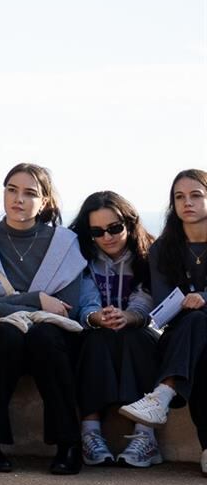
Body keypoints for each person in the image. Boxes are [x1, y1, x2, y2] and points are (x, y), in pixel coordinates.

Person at [0, 162, 89, 475]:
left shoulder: (64, 243)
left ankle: (68, 444)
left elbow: (66, 308)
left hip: (51, 340)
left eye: (29, 193)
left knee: (44, 336)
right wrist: (38, 301)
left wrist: (9, 306)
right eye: (11, 190)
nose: (18, 198)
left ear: (44, 201)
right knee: (4, 335)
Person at [119, 168, 207, 478]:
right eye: (179, 197)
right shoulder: (162, 249)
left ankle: (163, 395)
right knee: (196, 329)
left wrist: (203, 297)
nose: (187, 203)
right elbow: (163, 305)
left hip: (192, 334)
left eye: (196, 195)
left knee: (199, 321)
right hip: (181, 333)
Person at [72, 190, 160, 469]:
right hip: (96, 330)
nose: (107, 237)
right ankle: (90, 433)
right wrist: (96, 316)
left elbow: (148, 299)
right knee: (94, 341)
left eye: (114, 228)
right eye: (97, 231)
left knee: (137, 339)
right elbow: (84, 298)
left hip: (138, 330)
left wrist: (130, 316)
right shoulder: (81, 257)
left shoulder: (151, 254)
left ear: (130, 223)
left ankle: (146, 436)